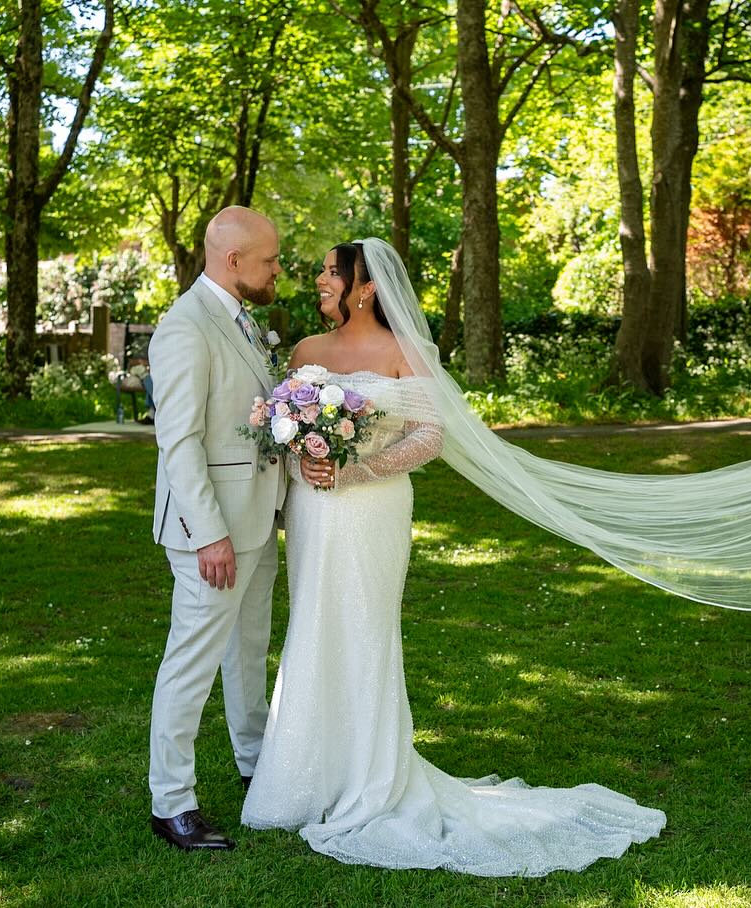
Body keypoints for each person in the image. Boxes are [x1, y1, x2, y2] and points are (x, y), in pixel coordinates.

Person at [239, 242, 667, 875]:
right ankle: (303, 776)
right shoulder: (304, 353)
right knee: (310, 626)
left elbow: (429, 438)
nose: (320, 281)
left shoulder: (402, 352)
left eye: (333, 272)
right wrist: (307, 459)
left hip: (372, 509)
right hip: (313, 511)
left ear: (365, 287)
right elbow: (287, 431)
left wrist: (355, 469)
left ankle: (371, 776)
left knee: (365, 631)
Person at [147, 206, 288, 851]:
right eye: (269, 262)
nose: (278, 272)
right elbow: (179, 443)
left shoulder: (245, 322)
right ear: (234, 262)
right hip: (213, 533)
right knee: (192, 663)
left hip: (257, 519)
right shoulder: (185, 327)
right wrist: (209, 534)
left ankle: (255, 761)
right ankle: (171, 802)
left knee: (250, 648)